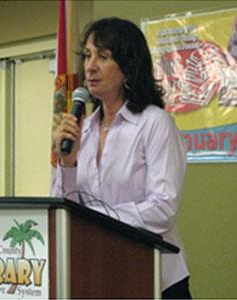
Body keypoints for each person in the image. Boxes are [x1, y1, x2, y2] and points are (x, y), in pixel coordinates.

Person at [51, 17, 192, 299]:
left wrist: (96, 220)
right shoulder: (84, 129)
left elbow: (163, 208)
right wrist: (67, 165)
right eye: (88, 55)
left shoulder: (155, 123)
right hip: (100, 276)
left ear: (128, 68)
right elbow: (63, 211)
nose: (90, 66)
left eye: (103, 57)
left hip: (154, 279)